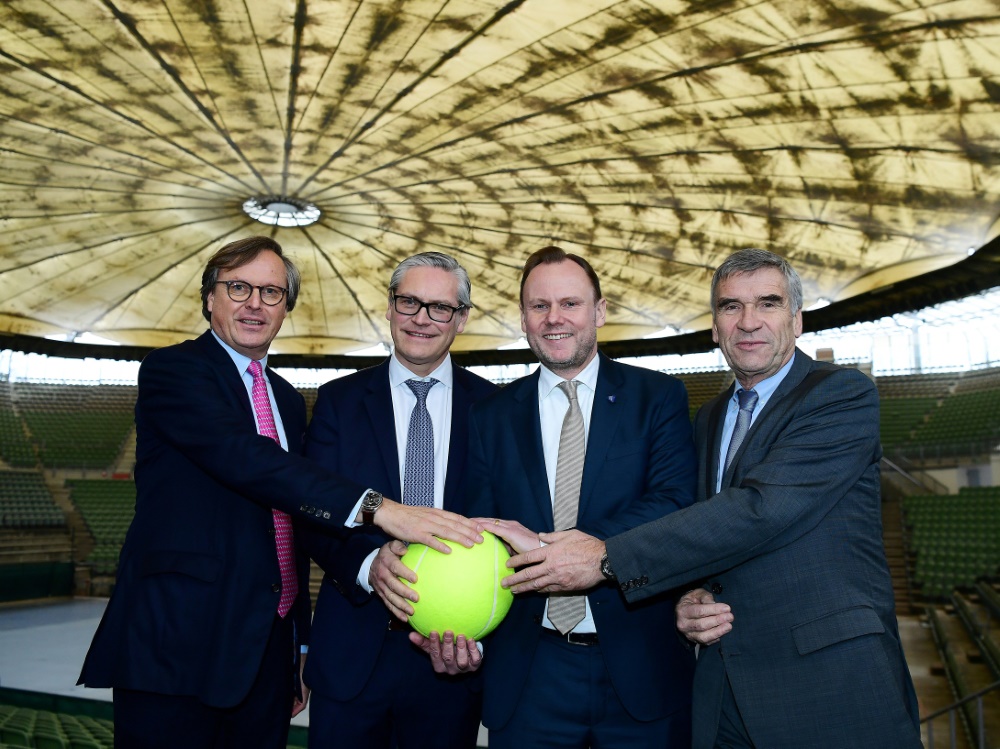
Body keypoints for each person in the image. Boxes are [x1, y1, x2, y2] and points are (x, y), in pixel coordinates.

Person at [497, 248, 922, 749]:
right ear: (715, 328)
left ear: (797, 319)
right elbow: (702, 532)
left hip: (829, 684)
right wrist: (689, 597)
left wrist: (608, 557)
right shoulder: (709, 419)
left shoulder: (840, 395)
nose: (748, 322)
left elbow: (760, 511)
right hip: (726, 686)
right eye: (729, 307)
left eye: (767, 303)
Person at [78, 236, 483, 749]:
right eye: (238, 287)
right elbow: (247, 461)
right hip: (178, 648)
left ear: (286, 307)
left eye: (271, 292)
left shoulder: (288, 401)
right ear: (209, 298)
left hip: (265, 655)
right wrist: (381, 510)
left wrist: (300, 641)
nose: (255, 303)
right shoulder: (175, 371)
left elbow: (291, 527)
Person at [464, 246, 697, 748]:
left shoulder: (658, 398)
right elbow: (481, 529)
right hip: (530, 672)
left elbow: (676, 502)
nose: (554, 318)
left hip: (641, 666)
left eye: (570, 303)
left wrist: (591, 551)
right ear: (523, 318)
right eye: (538, 306)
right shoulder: (489, 417)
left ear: (600, 311)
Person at [297, 252, 498, 749]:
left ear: (462, 317)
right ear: (389, 307)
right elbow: (309, 512)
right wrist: (369, 563)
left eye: (439, 308)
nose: (421, 318)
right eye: (409, 301)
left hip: (452, 660)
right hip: (352, 651)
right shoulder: (339, 401)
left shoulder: (497, 408)